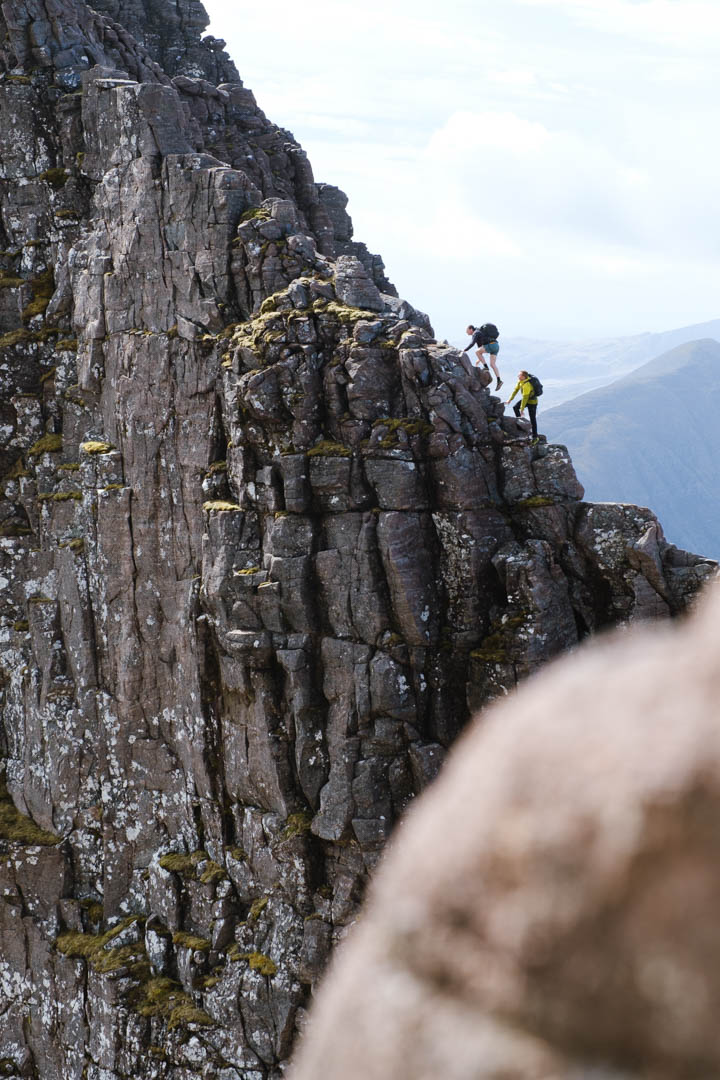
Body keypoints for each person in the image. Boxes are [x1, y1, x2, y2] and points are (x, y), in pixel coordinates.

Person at [462, 324, 502, 391]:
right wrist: (479, 359)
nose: (466, 332)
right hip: (496, 345)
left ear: (471, 329)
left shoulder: (475, 333)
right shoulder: (480, 333)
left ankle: (485, 367)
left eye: (467, 331)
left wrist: (464, 350)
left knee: (476, 352)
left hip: (491, 345)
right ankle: (499, 381)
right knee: (493, 364)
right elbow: (481, 349)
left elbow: (472, 343)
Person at [506, 370, 540, 441]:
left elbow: (525, 398)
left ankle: (535, 437)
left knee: (532, 419)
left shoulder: (527, 385)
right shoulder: (521, 382)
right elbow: (515, 391)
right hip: (527, 400)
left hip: (532, 402)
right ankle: (520, 425)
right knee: (515, 407)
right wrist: (510, 400)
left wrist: (521, 409)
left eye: (519, 375)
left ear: (524, 377)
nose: (518, 376)